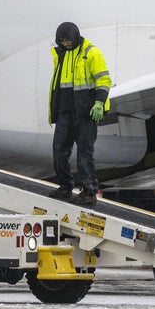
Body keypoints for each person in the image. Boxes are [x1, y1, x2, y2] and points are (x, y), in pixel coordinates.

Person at [47, 22, 111, 205]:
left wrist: (99, 103)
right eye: (62, 40)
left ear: (75, 37)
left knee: (84, 154)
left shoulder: (90, 52)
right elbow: (58, 85)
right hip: (65, 113)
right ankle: (66, 186)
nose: (66, 43)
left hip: (85, 115)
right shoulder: (60, 55)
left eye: (68, 40)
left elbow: (104, 80)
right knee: (59, 151)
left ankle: (89, 191)